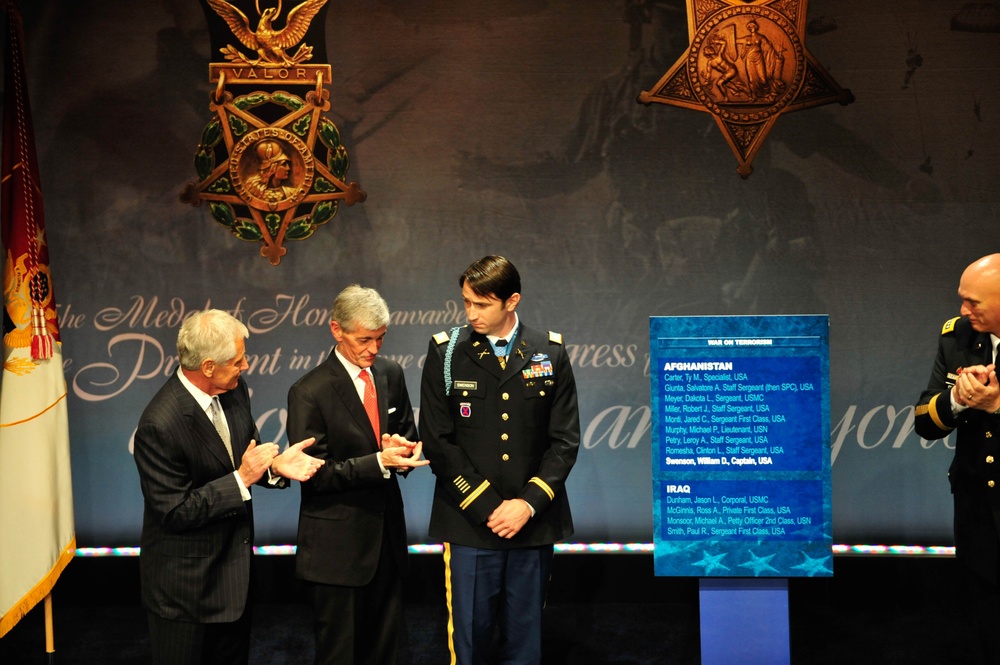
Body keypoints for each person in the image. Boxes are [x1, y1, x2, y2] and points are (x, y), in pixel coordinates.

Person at [133, 309, 323, 665]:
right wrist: (242, 479)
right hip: (185, 596)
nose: (245, 365)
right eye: (237, 360)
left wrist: (275, 467)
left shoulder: (234, 391)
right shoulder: (160, 424)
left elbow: (246, 457)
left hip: (233, 585)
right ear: (207, 367)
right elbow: (174, 512)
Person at [419, 255, 581, 664]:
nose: (470, 313)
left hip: (532, 524)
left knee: (526, 643)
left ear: (512, 301)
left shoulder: (550, 351)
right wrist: (490, 507)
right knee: (470, 641)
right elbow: (438, 441)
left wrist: (526, 505)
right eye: (466, 302)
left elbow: (564, 441)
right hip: (471, 522)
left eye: (482, 304)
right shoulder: (447, 351)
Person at [287, 285, 428, 665]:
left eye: (381, 338)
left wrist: (404, 449)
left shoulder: (390, 373)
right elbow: (314, 474)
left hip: (387, 543)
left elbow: (408, 438)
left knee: (386, 652)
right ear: (337, 330)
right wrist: (379, 462)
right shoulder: (309, 392)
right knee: (340, 655)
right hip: (337, 551)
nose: (374, 349)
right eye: (364, 339)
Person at [914, 253, 1000, 664]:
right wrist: (956, 400)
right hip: (976, 505)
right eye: (962, 300)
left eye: (973, 302)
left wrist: (999, 407)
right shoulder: (957, 337)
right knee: (986, 609)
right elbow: (924, 422)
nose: (963, 311)